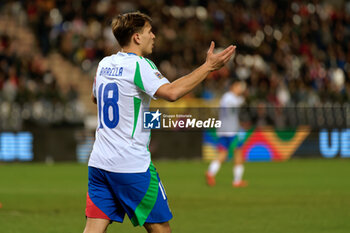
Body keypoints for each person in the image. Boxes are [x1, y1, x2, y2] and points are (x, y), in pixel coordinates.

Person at [84, 12, 236, 233]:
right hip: (131, 165)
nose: (153, 36)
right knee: (161, 229)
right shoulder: (140, 65)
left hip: (99, 163)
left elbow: (95, 98)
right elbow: (172, 93)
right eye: (149, 31)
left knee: (93, 228)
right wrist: (208, 67)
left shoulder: (105, 63)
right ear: (137, 37)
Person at [206, 80, 247, 187]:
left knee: (222, 154)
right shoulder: (230, 98)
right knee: (238, 153)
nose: (240, 89)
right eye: (239, 87)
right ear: (233, 87)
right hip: (231, 131)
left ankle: (210, 173)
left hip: (223, 130)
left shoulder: (228, 97)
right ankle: (237, 181)